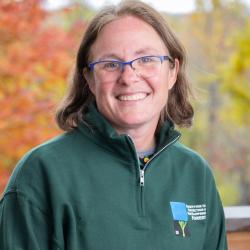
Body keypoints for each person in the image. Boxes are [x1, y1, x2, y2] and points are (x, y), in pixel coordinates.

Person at [0, 1, 228, 249]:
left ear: (172, 71)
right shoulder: (42, 174)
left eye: (147, 59)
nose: (129, 77)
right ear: (89, 78)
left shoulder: (195, 174)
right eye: (110, 64)